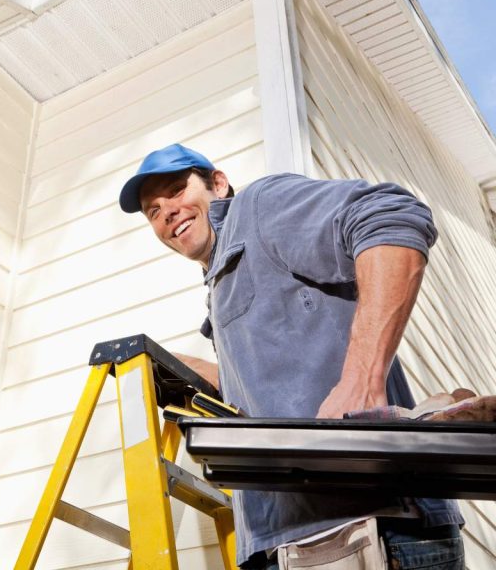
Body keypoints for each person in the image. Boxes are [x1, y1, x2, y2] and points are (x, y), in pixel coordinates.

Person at [118, 144, 464, 569]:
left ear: (218, 184)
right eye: (153, 211)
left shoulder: (258, 210)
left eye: (176, 190)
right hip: (287, 539)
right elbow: (270, 389)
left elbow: (391, 215)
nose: (168, 212)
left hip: (371, 524)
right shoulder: (222, 279)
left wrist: (362, 378)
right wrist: (189, 369)